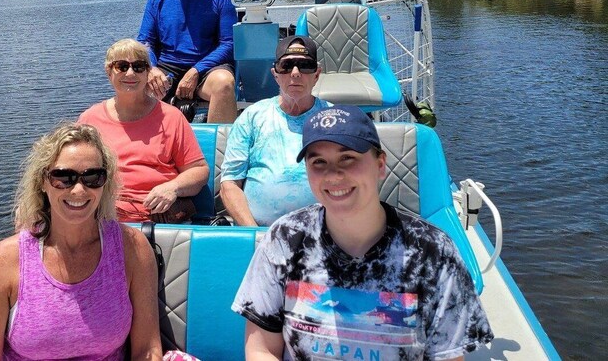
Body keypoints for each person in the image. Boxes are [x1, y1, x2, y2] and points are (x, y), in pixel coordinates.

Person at [232, 105, 494, 360]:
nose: (333, 175)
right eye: (319, 162)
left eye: (348, 158)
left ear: (380, 165)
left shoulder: (434, 252)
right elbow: (261, 349)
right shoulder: (284, 239)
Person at [0, 123, 162, 360]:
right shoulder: (4, 260)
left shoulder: (133, 249)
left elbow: (147, 350)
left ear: (105, 182)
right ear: (43, 182)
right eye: (63, 178)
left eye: (92, 177)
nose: (79, 190)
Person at [77, 39, 209, 223]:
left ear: (148, 72)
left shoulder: (171, 118)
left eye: (139, 67)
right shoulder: (89, 120)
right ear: (109, 72)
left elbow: (199, 171)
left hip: (157, 217)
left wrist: (173, 187)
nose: (130, 73)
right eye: (121, 66)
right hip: (102, 216)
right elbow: (72, 169)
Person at [219, 35, 330, 226]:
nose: (295, 73)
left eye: (305, 66)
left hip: (324, 234)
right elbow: (229, 184)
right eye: (286, 66)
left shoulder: (334, 118)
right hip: (260, 235)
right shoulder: (251, 116)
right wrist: (255, 235)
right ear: (275, 74)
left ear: (317, 74)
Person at [137, 0, 237, 123]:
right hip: (167, 68)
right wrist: (153, 68)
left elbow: (228, 43)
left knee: (225, 84)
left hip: (207, 69)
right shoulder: (156, 0)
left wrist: (195, 71)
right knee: (135, 83)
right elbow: (145, 42)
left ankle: (219, 149)